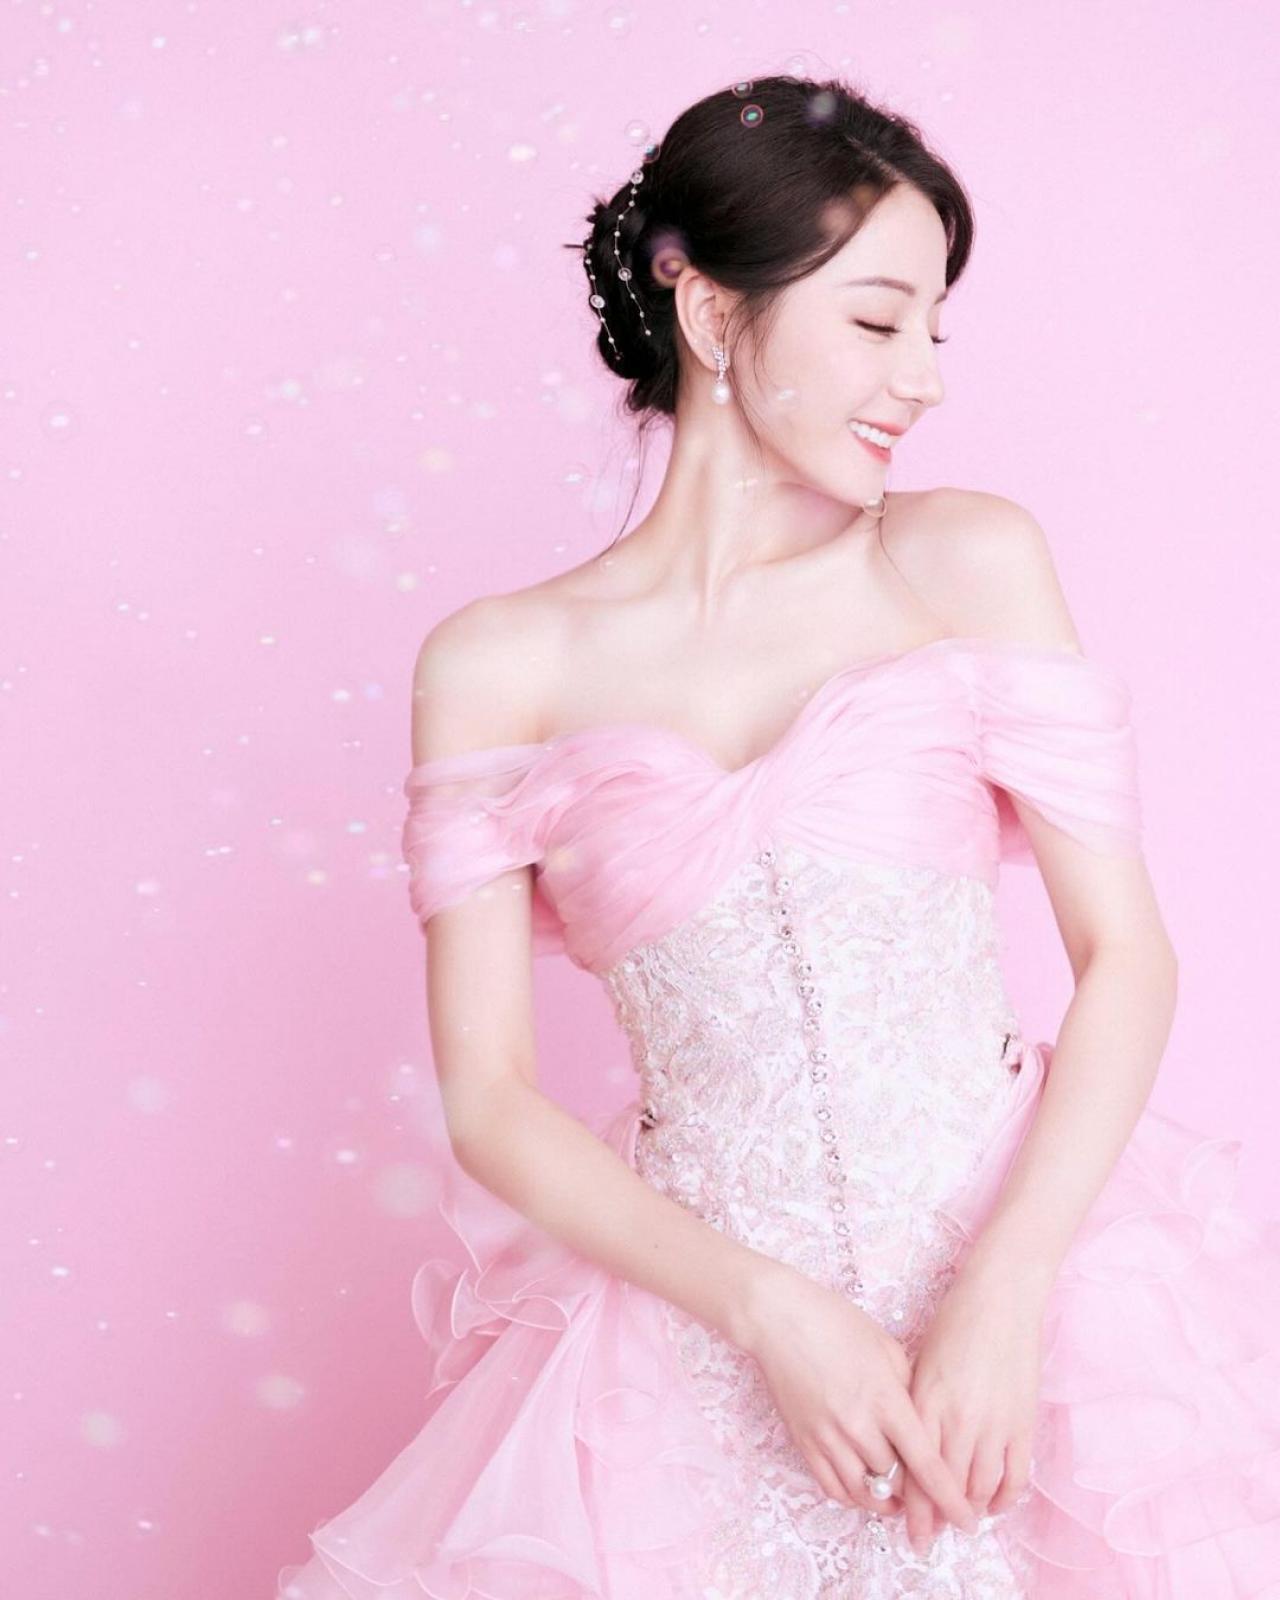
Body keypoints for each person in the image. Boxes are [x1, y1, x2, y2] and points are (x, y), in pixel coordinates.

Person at [278, 75, 1280, 1598]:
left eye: (937, 329)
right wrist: (770, 1313)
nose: (923, 379)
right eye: (878, 323)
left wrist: (1008, 1293)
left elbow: (1128, 958)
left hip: (1028, 1309)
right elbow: (489, 1100)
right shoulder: (497, 665)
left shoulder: (966, 561)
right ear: (709, 311)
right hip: (697, 1354)